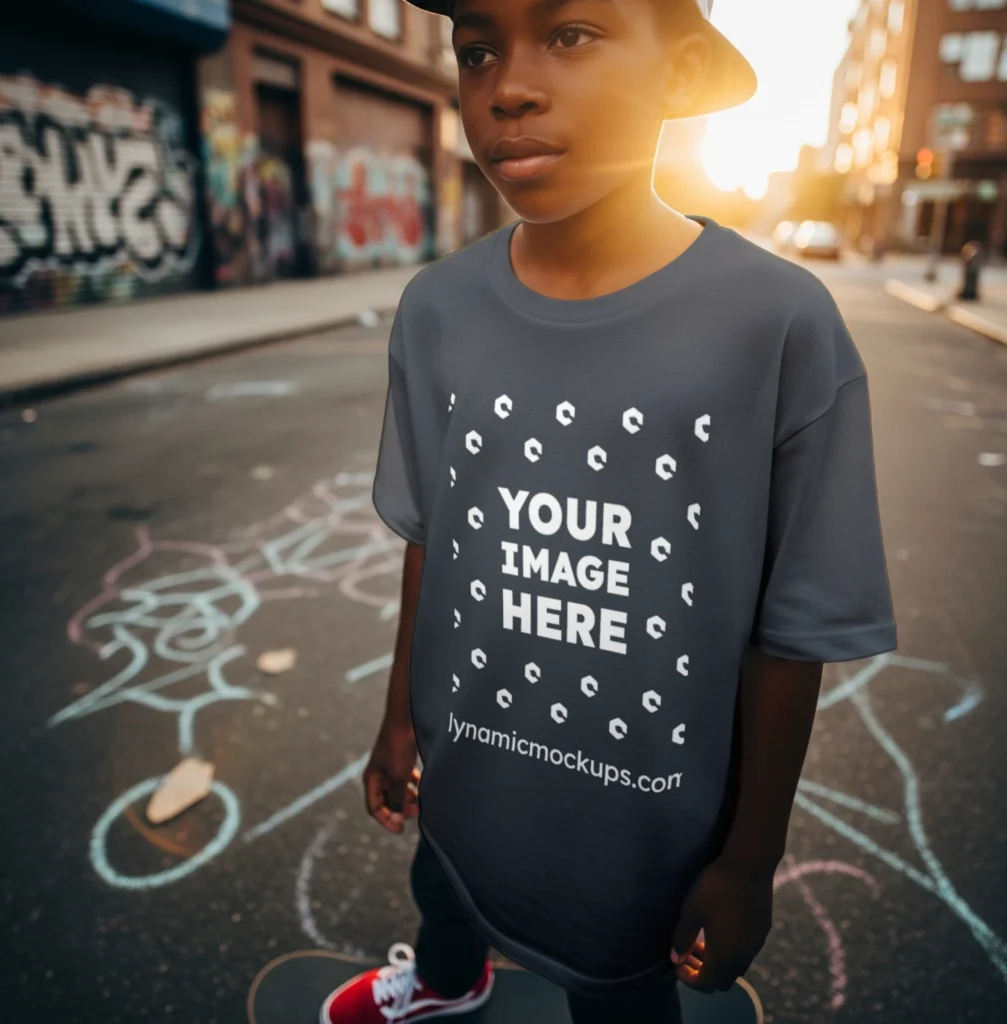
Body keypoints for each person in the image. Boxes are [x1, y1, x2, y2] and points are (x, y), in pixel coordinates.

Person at [321, 1, 898, 1022]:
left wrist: (750, 857)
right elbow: (433, 538)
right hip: (467, 768)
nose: (508, 86)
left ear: (677, 74)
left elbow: (793, 626)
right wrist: (401, 712)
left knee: (620, 991)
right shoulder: (436, 308)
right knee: (444, 884)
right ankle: (448, 984)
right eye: (477, 49)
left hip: (638, 831)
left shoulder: (774, 322)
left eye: (571, 34)